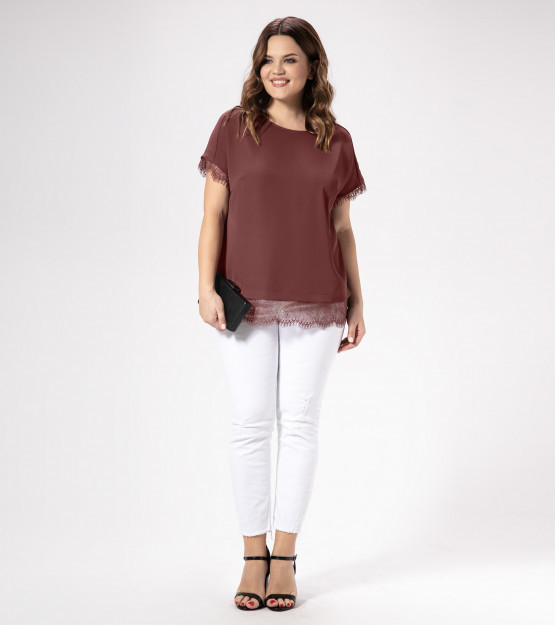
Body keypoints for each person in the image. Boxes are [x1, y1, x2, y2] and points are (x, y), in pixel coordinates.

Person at [197, 16, 367, 611]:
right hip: (242, 299)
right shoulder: (234, 127)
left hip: (319, 301)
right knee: (250, 424)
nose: (277, 69)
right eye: (268, 59)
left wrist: (358, 299)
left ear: (311, 67)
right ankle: (253, 555)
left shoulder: (336, 140)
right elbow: (213, 215)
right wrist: (204, 286)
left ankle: (286, 557)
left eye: (290, 58)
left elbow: (342, 229)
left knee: (298, 427)